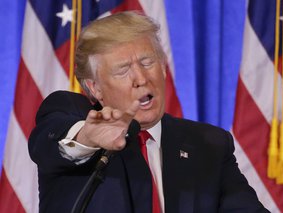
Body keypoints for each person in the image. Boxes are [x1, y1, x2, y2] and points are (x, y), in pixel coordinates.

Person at [29, 11, 269, 213]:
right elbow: (48, 143)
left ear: (163, 68)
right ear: (95, 88)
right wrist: (87, 139)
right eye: (123, 70)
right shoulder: (69, 111)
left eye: (147, 63)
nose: (141, 79)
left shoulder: (209, 144)